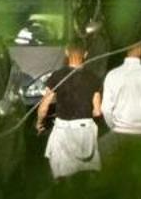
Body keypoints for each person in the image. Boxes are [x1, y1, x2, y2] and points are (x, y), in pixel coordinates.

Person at [37, 43, 102, 177]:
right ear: (85, 54)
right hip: (86, 130)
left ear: (66, 53)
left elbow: (44, 107)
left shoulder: (57, 76)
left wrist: (39, 123)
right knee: (88, 172)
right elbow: (97, 111)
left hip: (64, 130)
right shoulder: (93, 77)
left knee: (61, 174)